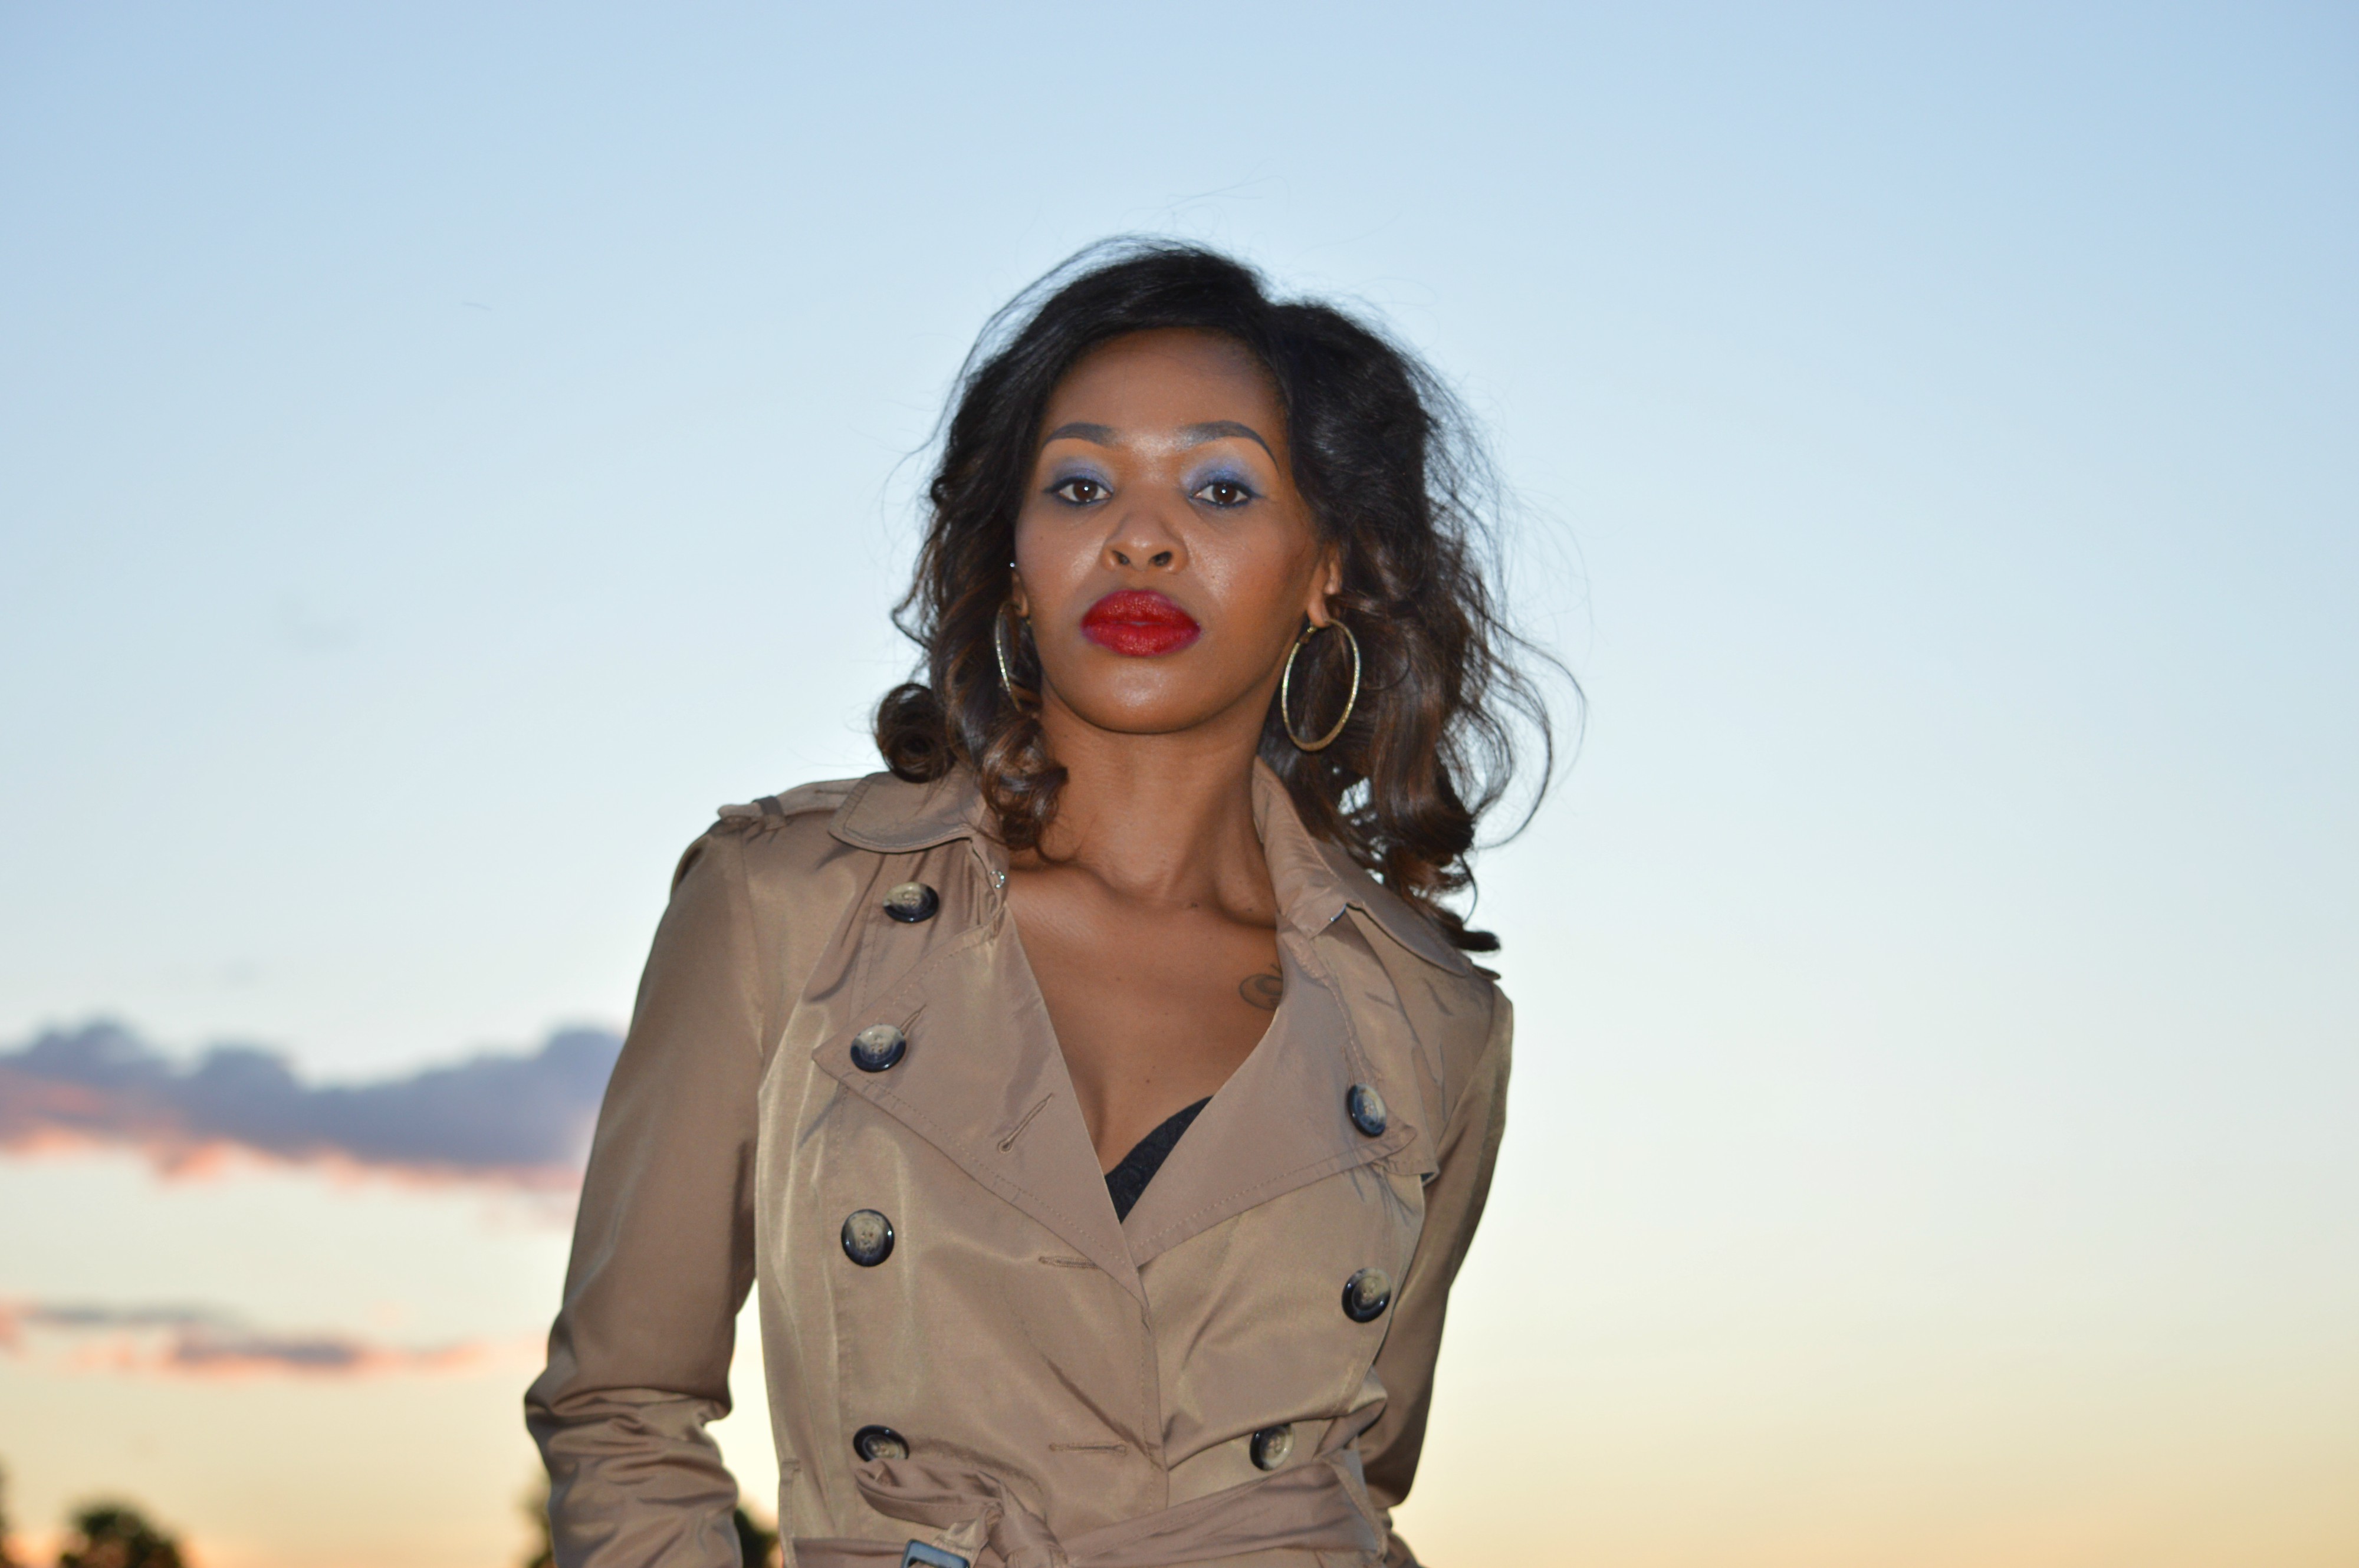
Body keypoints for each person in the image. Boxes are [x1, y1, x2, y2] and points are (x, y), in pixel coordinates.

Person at [526, 241, 1555, 1568]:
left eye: (1220, 487)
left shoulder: (1434, 1018)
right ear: (1016, 557)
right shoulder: (784, 902)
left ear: (1329, 571)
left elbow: (1363, 1480)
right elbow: (619, 1410)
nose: (1139, 535)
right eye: (1079, 485)